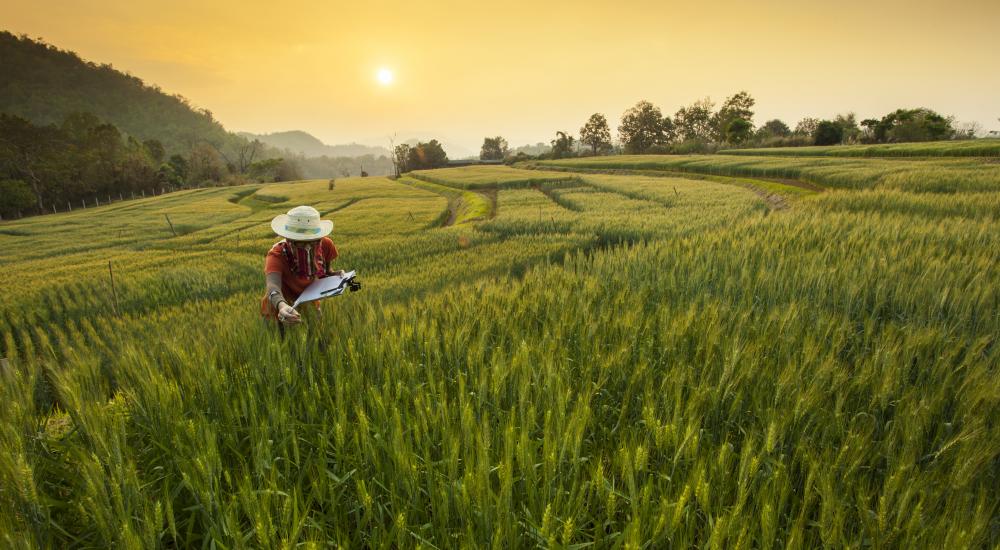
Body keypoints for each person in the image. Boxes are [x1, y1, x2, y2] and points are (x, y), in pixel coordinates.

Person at [261, 205, 343, 326]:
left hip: (310, 304)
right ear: (288, 239)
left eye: (313, 240)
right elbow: (273, 286)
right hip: (281, 308)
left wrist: (335, 275)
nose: (308, 246)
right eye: (301, 242)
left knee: (315, 336)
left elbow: (325, 271)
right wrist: (282, 306)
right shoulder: (276, 255)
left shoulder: (326, 244)